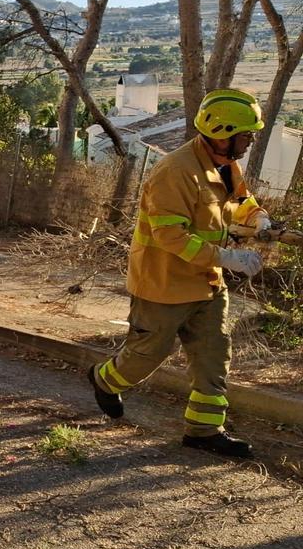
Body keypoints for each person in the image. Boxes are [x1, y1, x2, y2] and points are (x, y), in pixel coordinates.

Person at [87, 89, 273, 458]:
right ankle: (104, 380)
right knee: (145, 357)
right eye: (246, 134)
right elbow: (170, 236)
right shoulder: (175, 172)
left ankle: (204, 432)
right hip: (163, 286)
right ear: (222, 132)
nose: (250, 141)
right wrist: (227, 257)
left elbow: (240, 202)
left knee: (213, 357)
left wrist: (259, 218)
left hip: (206, 286)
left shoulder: (223, 165)